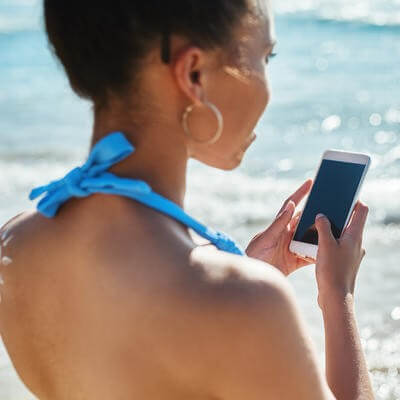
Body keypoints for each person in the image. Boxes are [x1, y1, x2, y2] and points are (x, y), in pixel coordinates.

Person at [0, 0, 374, 399]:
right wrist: (337, 295)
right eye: (266, 56)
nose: (269, 84)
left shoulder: (17, 244)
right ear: (194, 73)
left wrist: (246, 274)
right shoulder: (243, 301)